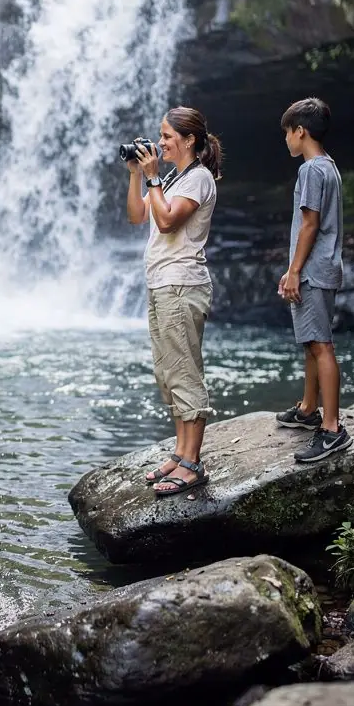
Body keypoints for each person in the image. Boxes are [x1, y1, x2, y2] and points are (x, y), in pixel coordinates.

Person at [126, 106, 222, 496]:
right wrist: (138, 177)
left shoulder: (198, 179)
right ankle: (181, 454)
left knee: (184, 371)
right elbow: (138, 216)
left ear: (189, 140)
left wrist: (151, 178)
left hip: (183, 285)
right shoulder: (171, 176)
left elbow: (167, 221)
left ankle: (193, 463)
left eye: (167, 136)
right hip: (162, 284)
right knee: (168, 372)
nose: (160, 142)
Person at [276, 96, 352, 462]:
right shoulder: (330, 167)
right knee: (311, 341)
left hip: (314, 271)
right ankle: (308, 409)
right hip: (321, 267)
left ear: (300, 131)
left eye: (287, 133)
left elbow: (310, 223)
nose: (286, 140)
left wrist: (294, 270)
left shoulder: (310, 171)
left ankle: (333, 428)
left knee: (321, 344)